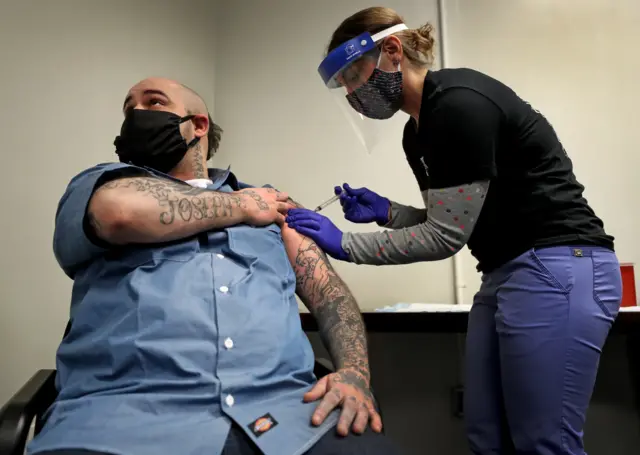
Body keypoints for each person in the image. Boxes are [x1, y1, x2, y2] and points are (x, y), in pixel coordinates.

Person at [286, 6, 622, 455]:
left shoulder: (459, 104)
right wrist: (386, 211)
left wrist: (343, 244)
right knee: (487, 437)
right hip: (505, 273)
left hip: (559, 264)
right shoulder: (417, 132)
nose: (352, 93)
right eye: (343, 84)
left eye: (353, 74)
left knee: (545, 444)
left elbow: (444, 238)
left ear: (391, 51)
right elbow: (448, 219)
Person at [28, 77, 403, 455]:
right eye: (128, 108)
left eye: (153, 102)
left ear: (199, 125)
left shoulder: (275, 207)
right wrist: (244, 206)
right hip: (121, 422)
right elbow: (120, 214)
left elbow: (330, 296)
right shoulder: (102, 184)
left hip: (288, 419)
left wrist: (355, 373)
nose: (136, 113)